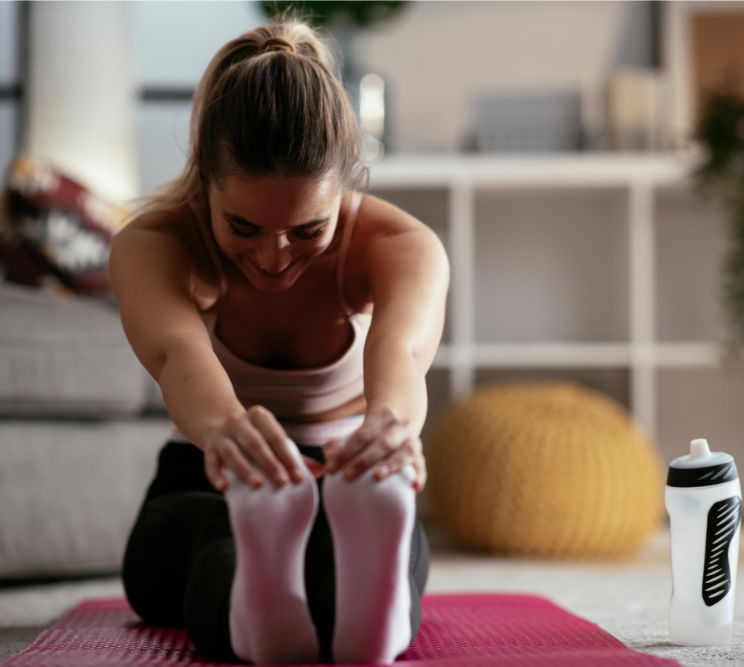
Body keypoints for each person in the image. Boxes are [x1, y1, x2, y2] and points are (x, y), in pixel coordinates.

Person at [108, 18, 449, 666]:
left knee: (371, 541)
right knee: (204, 540)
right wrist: (230, 435)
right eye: (243, 226)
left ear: (348, 181)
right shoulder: (154, 244)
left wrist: (392, 428)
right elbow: (177, 352)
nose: (273, 255)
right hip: (212, 473)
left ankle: (325, 613)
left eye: (307, 229)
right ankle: (300, 595)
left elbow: (402, 353)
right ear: (205, 176)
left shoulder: (402, 245)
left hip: (350, 470)